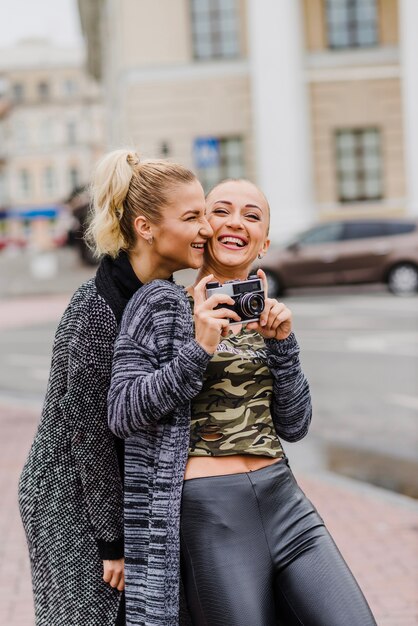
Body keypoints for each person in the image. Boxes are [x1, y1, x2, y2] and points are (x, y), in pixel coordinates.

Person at [108, 178, 377, 626]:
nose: (236, 223)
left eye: (251, 216)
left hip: (284, 501)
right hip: (211, 511)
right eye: (221, 211)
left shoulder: (266, 316)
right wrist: (198, 348)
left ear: (264, 243)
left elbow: (294, 425)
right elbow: (122, 412)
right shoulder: (160, 303)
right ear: (203, 227)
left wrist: (283, 346)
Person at [18, 149, 212, 626]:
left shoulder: (168, 297)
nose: (206, 228)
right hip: (74, 504)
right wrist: (113, 541)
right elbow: (89, 435)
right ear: (145, 228)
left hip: (118, 501)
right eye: (192, 217)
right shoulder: (97, 309)